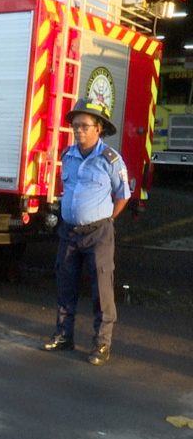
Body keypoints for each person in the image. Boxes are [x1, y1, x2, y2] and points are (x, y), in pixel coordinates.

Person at [41, 97, 131, 366]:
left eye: (84, 126)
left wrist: (107, 220)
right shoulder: (67, 155)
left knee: (101, 289)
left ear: (98, 128)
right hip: (69, 232)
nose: (78, 130)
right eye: (75, 126)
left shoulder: (110, 160)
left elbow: (123, 194)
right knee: (65, 284)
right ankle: (64, 335)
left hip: (98, 233)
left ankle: (101, 344)